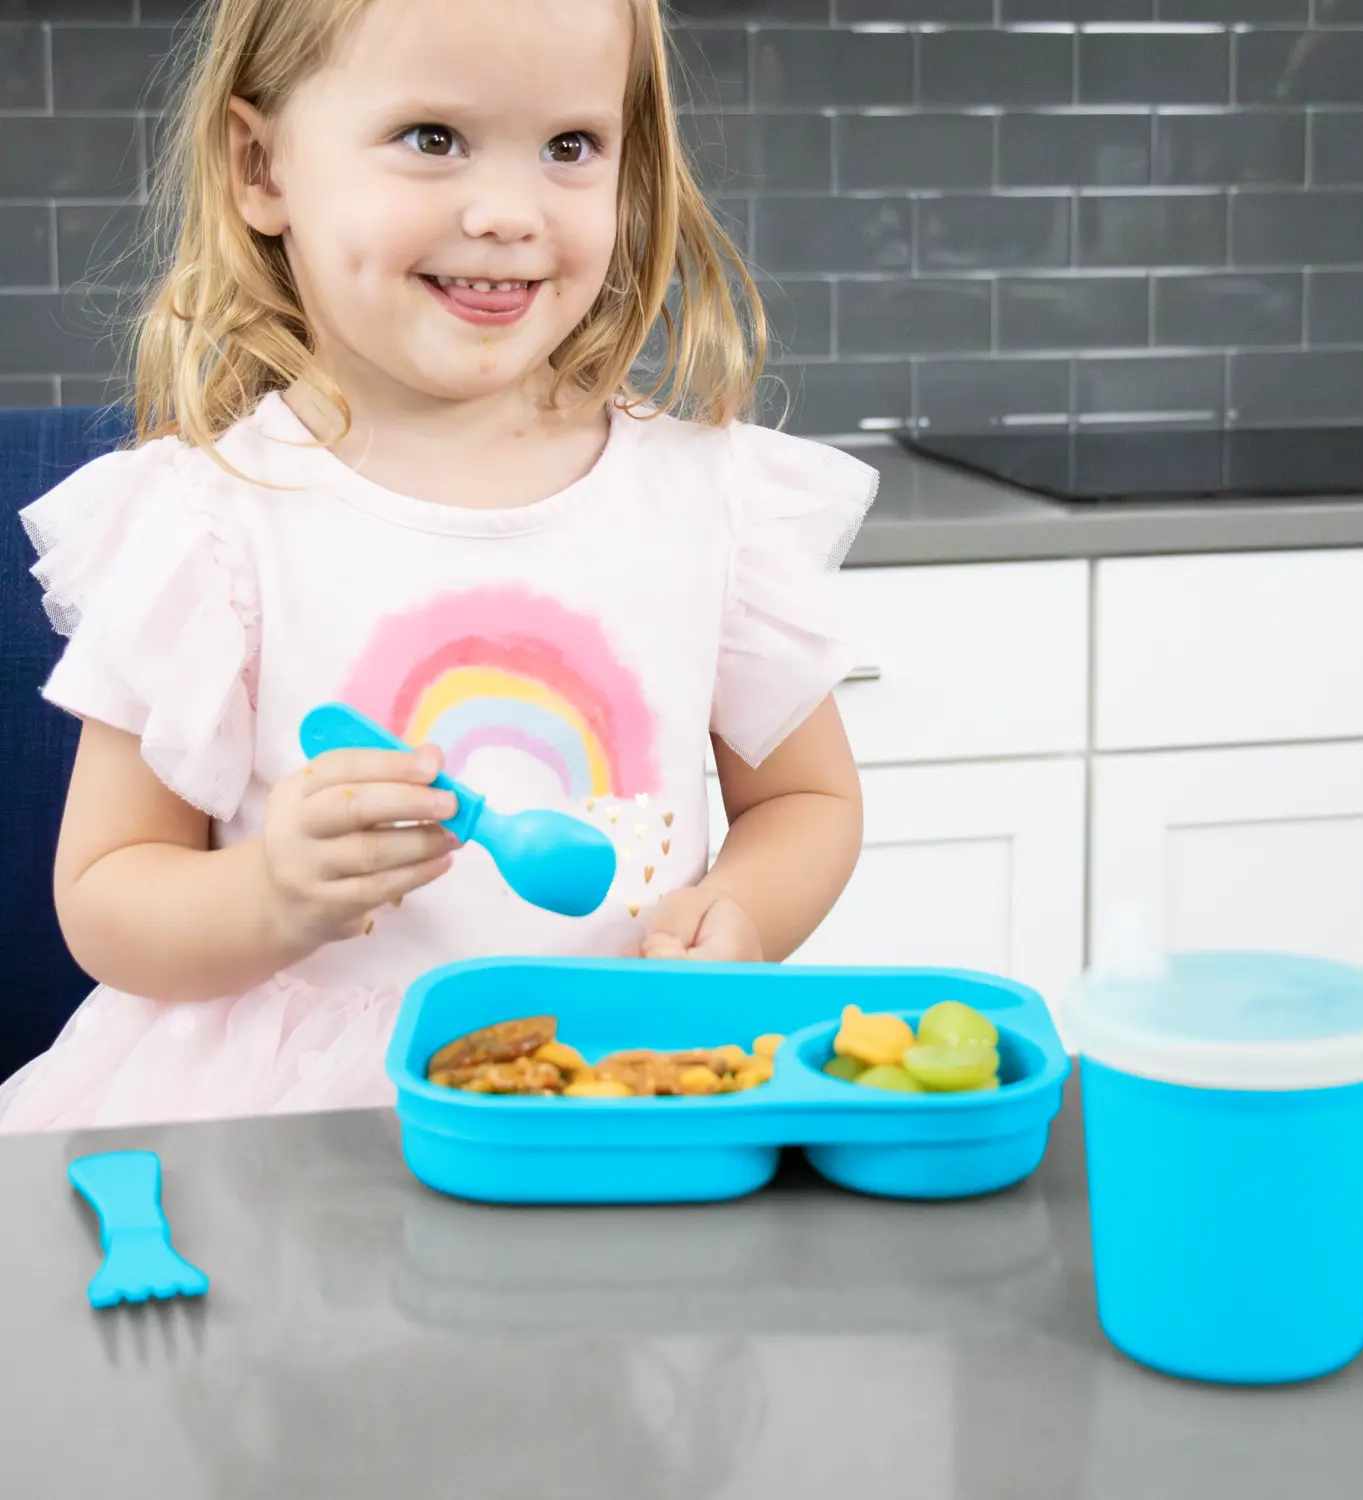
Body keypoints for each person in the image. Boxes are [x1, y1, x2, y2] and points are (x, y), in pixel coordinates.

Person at [2, 0, 873, 1131]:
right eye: (433, 138)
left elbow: (805, 799)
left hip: (615, 1091)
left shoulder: (711, 499)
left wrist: (740, 914)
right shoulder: (206, 524)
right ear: (260, 167)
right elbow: (106, 896)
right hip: (300, 1134)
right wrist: (271, 894)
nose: (510, 212)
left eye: (571, 145)